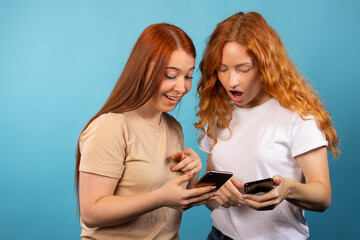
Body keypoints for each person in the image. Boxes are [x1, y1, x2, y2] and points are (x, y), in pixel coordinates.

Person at [195, 12, 340, 240]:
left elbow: (323, 198)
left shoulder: (298, 117)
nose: (232, 81)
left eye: (243, 69)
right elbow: (211, 199)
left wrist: (288, 190)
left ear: (265, 66)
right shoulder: (218, 115)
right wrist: (215, 194)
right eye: (223, 69)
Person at [75, 23, 217, 240]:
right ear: (143, 70)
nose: (182, 87)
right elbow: (91, 212)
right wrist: (159, 197)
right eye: (171, 75)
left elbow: (173, 205)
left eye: (188, 76)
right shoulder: (110, 127)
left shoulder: (173, 127)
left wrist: (193, 172)